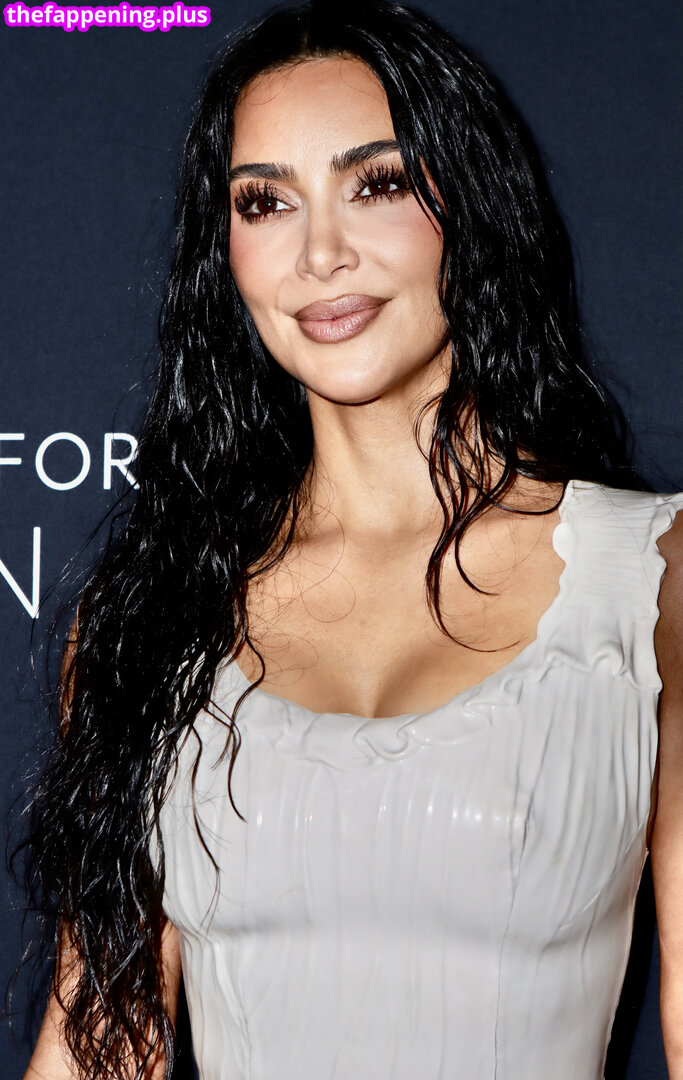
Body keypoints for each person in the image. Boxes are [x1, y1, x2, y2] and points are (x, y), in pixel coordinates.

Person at [21, 1, 683, 1078]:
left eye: (374, 184)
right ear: (226, 254)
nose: (319, 253)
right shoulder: (152, 615)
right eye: (265, 201)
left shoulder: (655, 579)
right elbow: (102, 1040)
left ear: (470, 205)